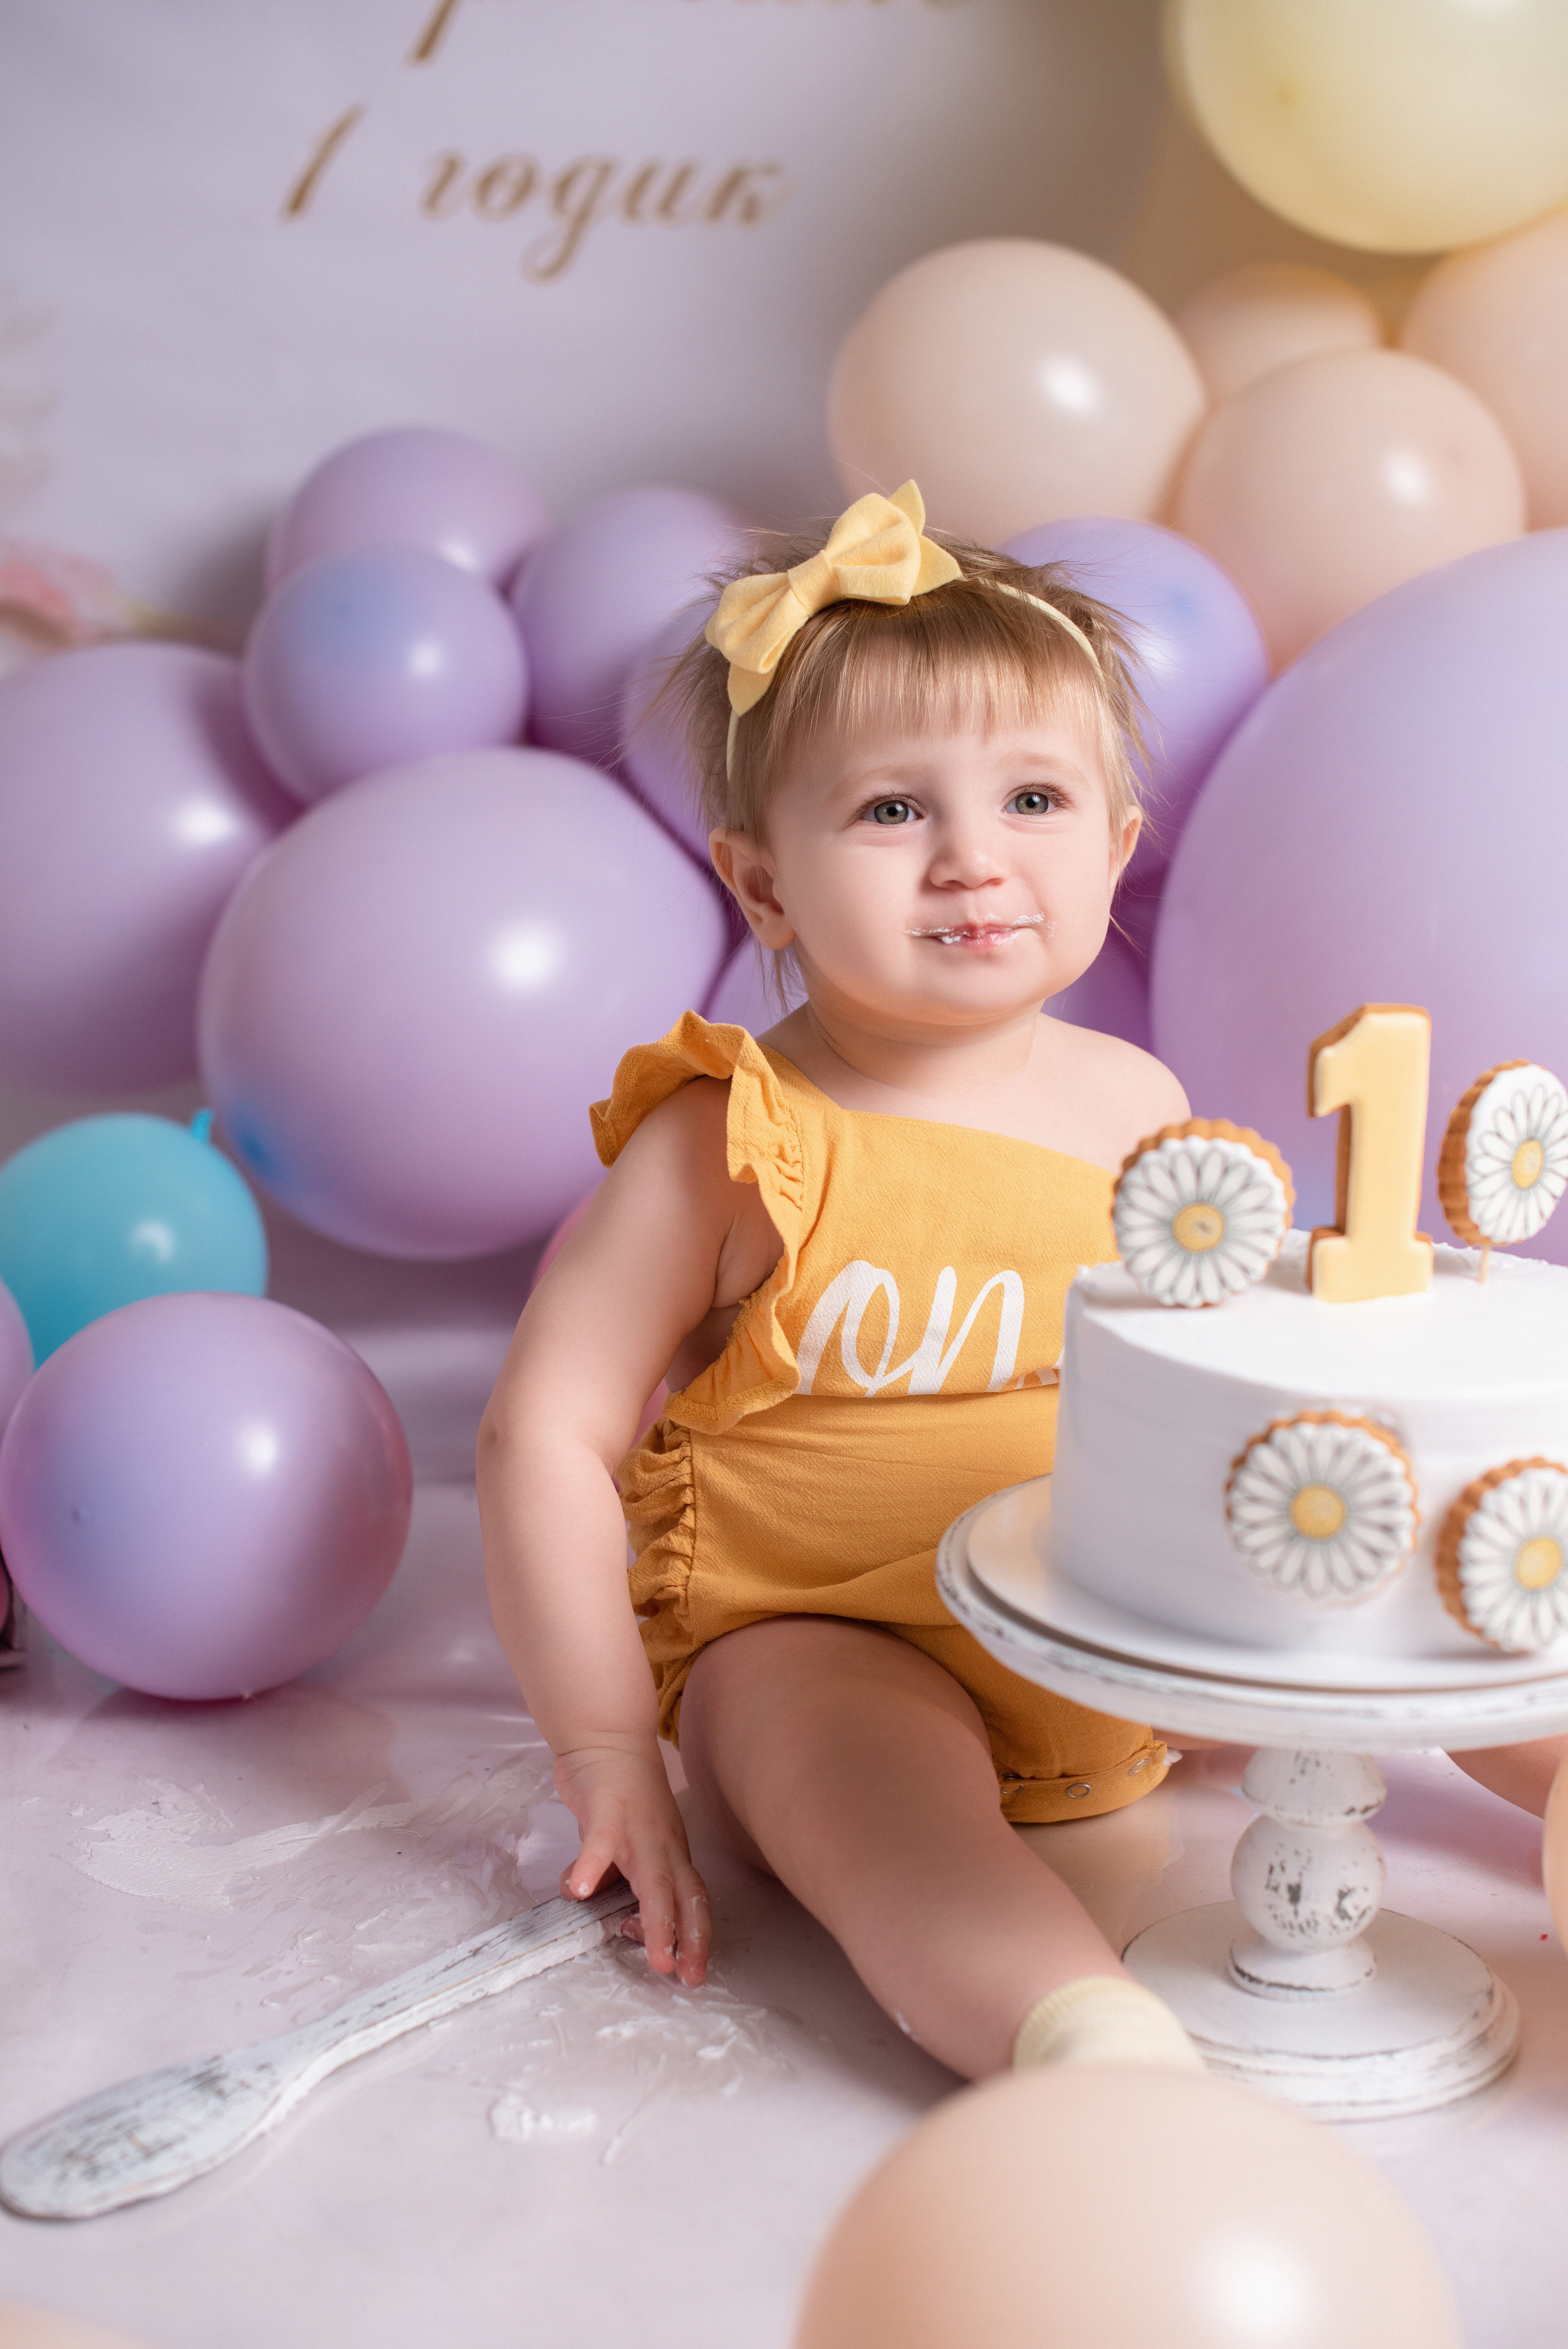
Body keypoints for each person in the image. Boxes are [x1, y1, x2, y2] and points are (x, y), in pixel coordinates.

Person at [475, 482, 1563, 2086]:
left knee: (1409, 1611)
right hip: (834, 1628)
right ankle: (1089, 2051)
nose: (972, 859)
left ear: (1116, 847)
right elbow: (545, 1432)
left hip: (1109, 1610)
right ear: (763, 884)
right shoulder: (735, 1135)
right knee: (879, 1798)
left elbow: (1215, 1370)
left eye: (1036, 798)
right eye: (891, 811)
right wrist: (604, 1745)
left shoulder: (1136, 1107)